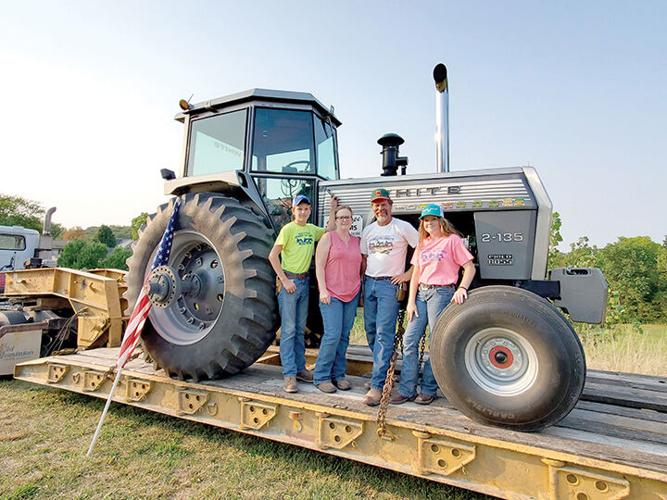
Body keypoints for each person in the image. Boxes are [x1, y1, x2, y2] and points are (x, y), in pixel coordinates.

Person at [391, 203, 475, 405]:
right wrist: (410, 302)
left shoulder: (452, 241)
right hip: (421, 294)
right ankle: (407, 389)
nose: (429, 223)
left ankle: (428, 389)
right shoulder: (423, 243)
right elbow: (417, 274)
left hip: (441, 293)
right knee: (410, 341)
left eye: (432, 219)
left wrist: (462, 288)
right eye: (425, 220)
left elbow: (469, 268)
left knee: (435, 342)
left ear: (441, 220)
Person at [269, 193, 337, 394]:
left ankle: (299, 368)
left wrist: (332, 210)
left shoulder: (311, 230)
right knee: (288, 331)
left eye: (306, 208)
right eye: (300, 208)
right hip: (290, 284)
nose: (303, 211)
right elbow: (272, 256)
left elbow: (329, 231)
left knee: (299, 329)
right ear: (294, 211)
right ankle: (289, 374)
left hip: (304, 282)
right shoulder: (288, 229)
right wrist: (284, 280)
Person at [360, 188, 419, 406]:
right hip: (370, 283)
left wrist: (407, 274)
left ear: (391, 206)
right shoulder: (368, 231)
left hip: (389, 286)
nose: (380, 208)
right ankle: (384, 375)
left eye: (384, 204)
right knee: (371, 331)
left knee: (384, 334)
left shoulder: (402, 227)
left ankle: (377, 387)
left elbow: (422, 250)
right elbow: (364, 259)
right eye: (376, 204)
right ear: (372, 207)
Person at [313, 205, 362, 393]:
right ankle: (321, 376)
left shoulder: (357, 241)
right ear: (335, 219)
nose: (344, 220)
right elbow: (319, 266)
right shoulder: (328, 238)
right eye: (340, 217)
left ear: (352, 220)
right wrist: (323, 290)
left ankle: (339, 375)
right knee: (332, 335)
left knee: (344, 336)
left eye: (347, 217)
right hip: (331, 294)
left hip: (351, 294)